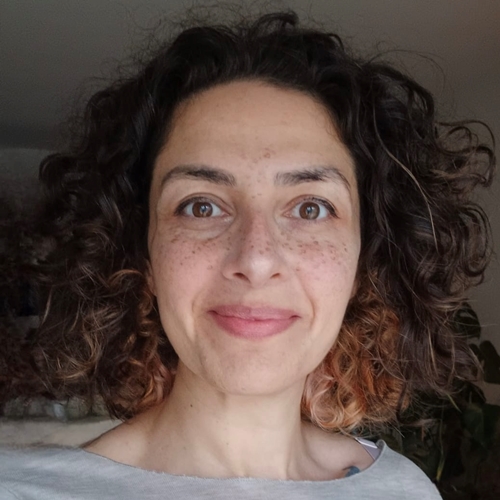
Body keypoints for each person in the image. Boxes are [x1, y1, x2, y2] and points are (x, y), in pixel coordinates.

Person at [0, 10, 494, 499]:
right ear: (142, 255)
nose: (256, 260)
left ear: (364, 264)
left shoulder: (403, 490)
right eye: (201, 206)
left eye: (311, 208)